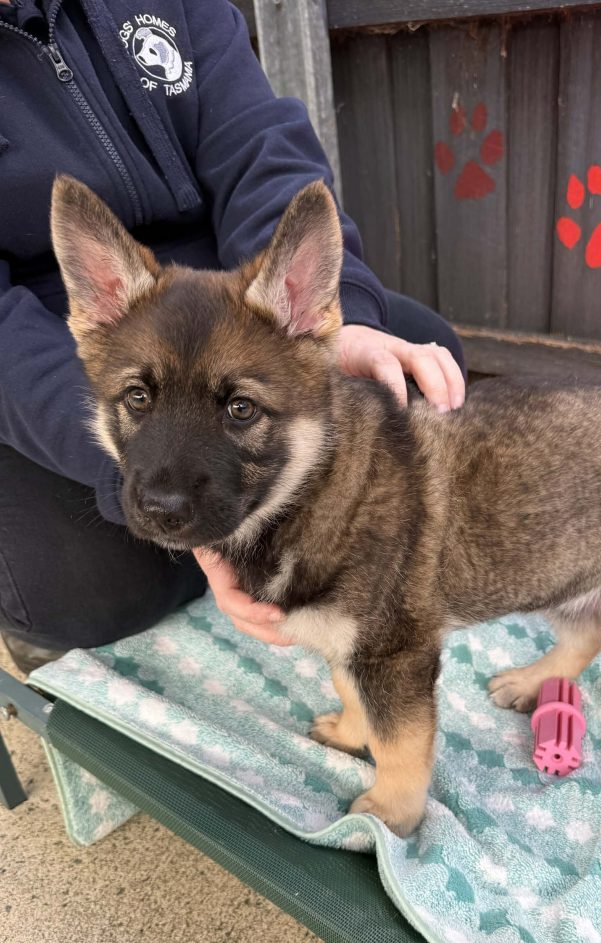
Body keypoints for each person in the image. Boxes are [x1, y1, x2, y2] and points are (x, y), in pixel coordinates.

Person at [0, 0, 466, 671]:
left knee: (421, 369)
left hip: (231, 293)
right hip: (54, 329)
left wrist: (339, 329)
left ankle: (259, 515)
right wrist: (149, 487)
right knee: (79, 592)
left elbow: (254, 145)